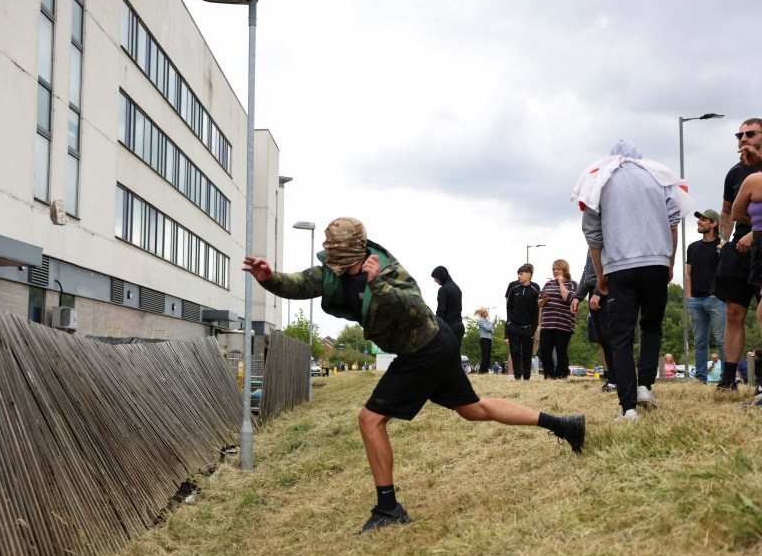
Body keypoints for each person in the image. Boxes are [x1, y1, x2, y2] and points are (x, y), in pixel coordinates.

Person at [243, 217, 586, 533]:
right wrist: (270, 278)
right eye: (332, 260)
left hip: (426, 347)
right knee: (473, 409)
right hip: (430, 346)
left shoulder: (389, 271)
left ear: (360, 251)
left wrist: (378, 286)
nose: (335, 267)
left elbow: (414, 310)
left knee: (370, 419)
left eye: (342, 260)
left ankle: (388, 508)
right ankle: (565, 425)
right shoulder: (334, 268)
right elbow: (301, 283)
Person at [575, 139, 683, 421]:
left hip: (620, 265)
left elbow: (592, 233)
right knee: (651, 326)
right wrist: (669, 262)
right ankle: (645, 385)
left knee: (620, 336)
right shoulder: (657, 176)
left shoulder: (600, 180)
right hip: (656, 260)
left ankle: (628, 407)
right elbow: (673, 221)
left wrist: (600, 273)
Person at [713, 119, 762, 391]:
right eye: (739, 134)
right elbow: (726, 210)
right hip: (738, 247)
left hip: (758, 239)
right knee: (733, 312)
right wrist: (722, 241)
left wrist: (755, 234)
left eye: (750, 133)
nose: (743, 138)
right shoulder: (734, 173)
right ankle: (728, 379)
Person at [685, 208, 726, 383]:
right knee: (699, 343)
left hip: (716, 301)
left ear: (714, 223)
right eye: (699, 219)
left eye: (703, 219)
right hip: (695, 301)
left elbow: (727, 273)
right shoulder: (692, 247)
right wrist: (689, 296)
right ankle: (700, 378)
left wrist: (718, 294)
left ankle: (727, 378)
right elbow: (688, 274)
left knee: (722, 341)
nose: (699, 222)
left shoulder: (722, 247)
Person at [572, 249, 617, 392]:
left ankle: (617, 380)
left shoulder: (607, 237)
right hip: (594, 292)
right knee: (603, 338)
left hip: (607, 290)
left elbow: (609, 265)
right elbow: (587, 272)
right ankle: (612, 379)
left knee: (610, 337)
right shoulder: (593, 241)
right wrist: (578, 296)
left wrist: (599, 291)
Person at [537, 259, 578, 378]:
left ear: (564, 270)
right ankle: (548, 375)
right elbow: (539, 304)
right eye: (553, 269)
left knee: (561, 351)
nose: (555, 271)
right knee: (544, 351)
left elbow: (569, 299)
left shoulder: (573, 284)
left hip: (563, 323)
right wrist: (544, 299)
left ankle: (561, 374)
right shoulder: (548, 284)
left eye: (558, 269)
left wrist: (561, 283)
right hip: (547, 323)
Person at [505, 264, 541, 381]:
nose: (519, 276)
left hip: (528, 328)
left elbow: (536, 311)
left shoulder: (535, 291)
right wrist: (509, 323)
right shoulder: (513, 290)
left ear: (528, 275)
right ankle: (517, 376)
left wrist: (534, 327)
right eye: (518, 274)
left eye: (521, 274)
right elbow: (509, 307)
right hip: (514, 327)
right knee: (515, 352)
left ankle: (527, 377)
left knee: (527, 353)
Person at [431, 266, 464, 344]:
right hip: (459, 327)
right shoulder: (457, 288)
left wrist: (437, 328)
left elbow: (441, 310)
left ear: (441, 276)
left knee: (443, 355)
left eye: (435, 277)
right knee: (455, 355)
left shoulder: (443, 289)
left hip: (448, 328)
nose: (434, 280)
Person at [475, 307, 496, 373]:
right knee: (485, 356)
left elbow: (492, 330)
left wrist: (490, 326)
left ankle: (485, 371)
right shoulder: (481, 320)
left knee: (488, 356)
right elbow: (487, 328)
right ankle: (482, 371)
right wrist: (493, 323)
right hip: (484, 339)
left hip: (489, 339)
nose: (487, 313)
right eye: (486, 312)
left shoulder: (487, 320)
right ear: (482, 313)